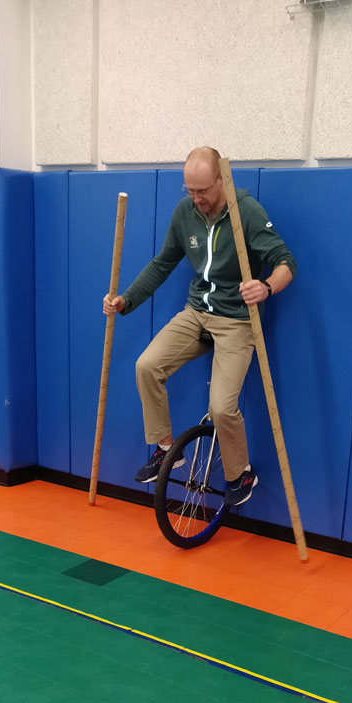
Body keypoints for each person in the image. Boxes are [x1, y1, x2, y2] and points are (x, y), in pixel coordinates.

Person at [102, 146, 296, 507]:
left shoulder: (246, 213)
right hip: (196, 313)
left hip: (237, 320)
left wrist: (266, 286)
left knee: (222, 407)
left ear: (221, 180)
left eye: (203, 191)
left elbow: (285, 262)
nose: (196, 199)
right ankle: (166, 450)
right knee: (146, 366)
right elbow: (163, 263)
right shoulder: (185, 213)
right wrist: (125, 300)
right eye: (189, 191)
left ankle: (241, 474)